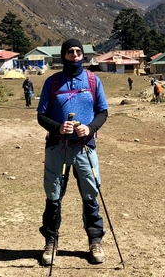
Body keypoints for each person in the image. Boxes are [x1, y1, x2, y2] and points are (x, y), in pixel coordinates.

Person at [36, 39, 109, 266]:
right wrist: (58, 127)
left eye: (78, 51)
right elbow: (41, 115)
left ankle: (95, 240)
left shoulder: (92, 80)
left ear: (83, 55)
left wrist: (91, 127)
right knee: (54, 195)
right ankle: (51, 241)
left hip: (85, 146)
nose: (75, 55)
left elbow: (103, 112)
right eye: (70, 52)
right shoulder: (52, 82)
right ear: (63, 55)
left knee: (90, 194)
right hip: (58, 146)